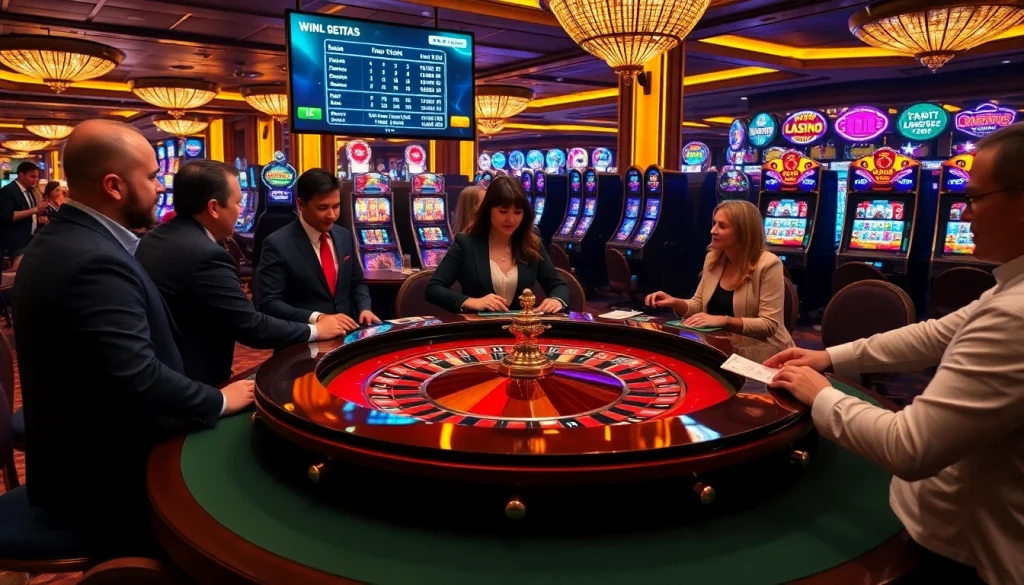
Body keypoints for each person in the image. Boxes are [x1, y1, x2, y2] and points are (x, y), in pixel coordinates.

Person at [765, 123, 1024, 585]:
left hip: (972, 556)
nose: (963, 216)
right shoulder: (1010, 289)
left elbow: (911, 448)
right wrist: (829, 359)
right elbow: (935, 334)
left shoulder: (1014, 316)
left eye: (975, 198)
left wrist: (820, 394)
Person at [11, 119, 254, 561]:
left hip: (77, 451)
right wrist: (219, 400)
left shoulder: (64, 240)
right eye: (152, 177)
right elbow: (139, 376)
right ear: (114, 186)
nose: (161, 188)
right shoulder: (93, 260)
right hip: (107, 479)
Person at [137, 160, 348, 387]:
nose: (241, 209)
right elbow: (252, 327)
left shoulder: (154, 237)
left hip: (159, 370)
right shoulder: (206, 254)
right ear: (214, 208)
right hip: (191, 383)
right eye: (238, 202)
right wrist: (316, 329)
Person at [644, 199, 793, 349]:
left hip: (764, 352)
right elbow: (699, 305)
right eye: (714, 223)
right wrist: (674, 302)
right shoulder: (713, 259)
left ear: (743, 233)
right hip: (722, 347)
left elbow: (768, 325)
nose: (713, 230)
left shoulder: (769, 264)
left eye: (722, 226)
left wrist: (724, 321)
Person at [257, 168, 379, 329]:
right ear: (301, 204)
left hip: (347, 335)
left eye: (336, 206)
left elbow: (357, 282)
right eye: (322, 208)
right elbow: (269, 303)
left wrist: (364, 308)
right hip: (303, 340)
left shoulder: (344, 235)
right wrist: (317, 318)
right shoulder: (277, 244)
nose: (332, 215)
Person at [427, 175, 568, 314]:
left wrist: (556, 300)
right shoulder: (466, 243)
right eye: (503, 211)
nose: (511, 219)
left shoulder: (531, 244)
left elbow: (558, 286)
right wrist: (470, 301)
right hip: (479, 330)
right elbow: (433, 289)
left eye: (518, 212)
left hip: (521, 329)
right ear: (489, 210)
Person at [0, 161, 46, 269]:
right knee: (17, 273)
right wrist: (35, 210)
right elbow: (7, 216)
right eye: (32, 176)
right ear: (21, 175)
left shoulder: (29, 190)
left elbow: (29, 213)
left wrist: (38, 216)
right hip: (16, 241)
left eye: (37, 177)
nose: (36, 179)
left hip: (29, 238)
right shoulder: (8, 191)